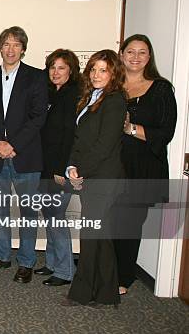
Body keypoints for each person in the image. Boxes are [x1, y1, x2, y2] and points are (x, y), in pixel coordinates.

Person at [0, 26, 48, 284]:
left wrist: (12, 144)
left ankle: (27, 261)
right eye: (6, 44)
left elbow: (38, 117)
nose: (10, 49)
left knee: (29, 212)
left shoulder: (36, 77)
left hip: (25, 156)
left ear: (23, 48)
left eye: (16, 44)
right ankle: (1, 255)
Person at [63, 50, 126, 307]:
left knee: (91, 236)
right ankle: (106, 293)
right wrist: (71, 166)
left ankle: (82, 292)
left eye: (103, 70)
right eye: (94, 69)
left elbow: (104, 145)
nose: (97, 75)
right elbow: (80, 139)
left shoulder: (114, 101)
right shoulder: (91, 97)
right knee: (99, 236)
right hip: (92, 176)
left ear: (113, 74)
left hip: (104, 178)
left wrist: (81, 169)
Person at [115, 34, 176, 295]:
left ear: (149, 57)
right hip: (111, 166)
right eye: (130, 52)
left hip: (141, 168)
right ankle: (103, 272)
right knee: (106, 222)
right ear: (121, 55)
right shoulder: (111, 86)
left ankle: (122, 279)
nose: (135, 57)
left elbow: (165, 133)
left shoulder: (160, 88)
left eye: (142, 52)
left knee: (129, 225)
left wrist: (131, 129)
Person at [36, 49, 81, 287]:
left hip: (59, 169)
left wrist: (61, 168)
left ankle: (65, 271)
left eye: (61, 67)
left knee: (56, 218)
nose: (55, 72)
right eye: (52, 67)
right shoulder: (53, 94)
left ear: (71, 71)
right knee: (51, 216)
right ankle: (53, 263)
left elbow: (69, 137)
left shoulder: (73, 95)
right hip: (46, 167)